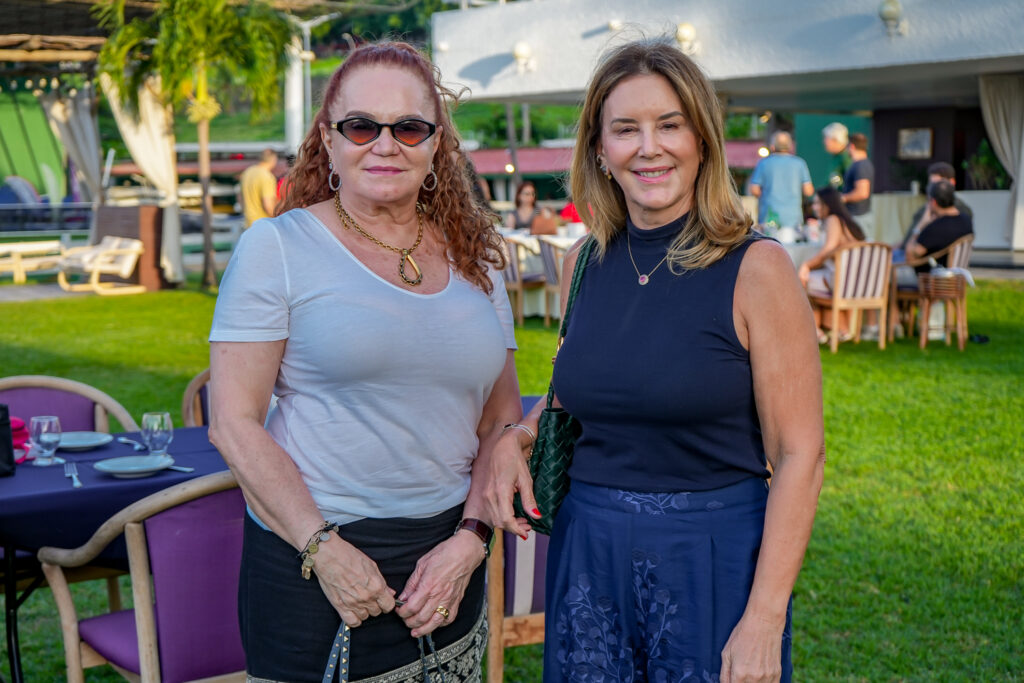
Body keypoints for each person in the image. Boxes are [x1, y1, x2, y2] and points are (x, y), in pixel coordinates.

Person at [482, 38, 824, 682]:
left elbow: (801, 453)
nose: (649, 147)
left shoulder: (756, 268)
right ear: (600, 151)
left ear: (702, 140)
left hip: (712, 562)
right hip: (589, 558)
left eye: (670, 125)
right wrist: (518, 435)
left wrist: (764, 619)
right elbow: (576, 396)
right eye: (625, 129)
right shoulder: (585, 262)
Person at [208, 41, 522, 682]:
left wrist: (470, 541)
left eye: (409, 127)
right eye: (361, 126)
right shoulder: (278, 248)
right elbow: (233, 423)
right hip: (315, 561)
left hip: (447, 564)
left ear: (437, 144)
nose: (386, 144)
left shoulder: (478, 262)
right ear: (329, 138)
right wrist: (324, 552)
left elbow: (502, 423)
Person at [799, 187, 866, 343]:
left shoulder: (833, 220)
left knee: (801, 279)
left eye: (817, 203)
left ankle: (814, 330)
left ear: (827, 205)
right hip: (859, 282)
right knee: (812, 277)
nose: (814, 207)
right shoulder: (848, 222)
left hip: (842, 283)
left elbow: (828, 249)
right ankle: (836, 329)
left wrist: (807, 265)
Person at [896, 161, 973, 257]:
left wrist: (920, 226)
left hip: (920, 260)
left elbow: (912, 253)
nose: (932, 189)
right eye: (931, 184)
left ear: (951, 183)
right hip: (909, 251)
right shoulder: (931, 208)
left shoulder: (950, 216)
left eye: (937, 184)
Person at [748, 131, 814, 229]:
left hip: (768, 217)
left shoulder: (763, 163)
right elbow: (808, 191)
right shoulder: (799, 163)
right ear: (790, 146)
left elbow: (754, 190)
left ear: (772, 146)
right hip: (793, 218)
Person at [905, 179, 973, 273]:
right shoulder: (966, 220)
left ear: (933, 202)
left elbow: (910, 257)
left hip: (930, 278)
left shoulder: (935, 228)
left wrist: (920, 226)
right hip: (955, 275)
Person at [840, 132, 874, 238]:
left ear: (852, 146)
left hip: (859, 216)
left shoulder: (861, 166)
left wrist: (842, 198)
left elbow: (862, 193)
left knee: (861, 249)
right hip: (857, 215)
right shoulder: (859, 164)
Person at [239, 148, 279, 228]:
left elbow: (240, 197)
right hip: (263, 224)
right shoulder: (267, 176)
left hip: (249, 223)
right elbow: (268, 205)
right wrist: (277, 220)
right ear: (274, 160)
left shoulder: (248, 172)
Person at [821, 122, 851, 190]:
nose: (824, 142)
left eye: (826, 138)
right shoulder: (836, 157)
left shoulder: (846, 157)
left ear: (835, 139)